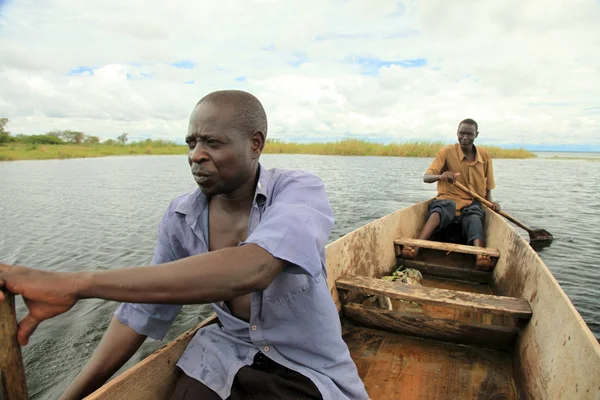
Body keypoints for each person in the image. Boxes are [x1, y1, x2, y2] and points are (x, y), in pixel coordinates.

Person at [0, 90, 370, 400]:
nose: (196, 155)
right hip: (225, 359)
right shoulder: (180, 217)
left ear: (255, 144)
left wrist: (76, 285)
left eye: (212, 142)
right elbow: (139, 315)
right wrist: (71, 397)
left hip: (309, 371)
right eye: (191, 143)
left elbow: (254, 269)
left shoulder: (299, 190)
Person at [402, 118, 501, 269]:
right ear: (457, 133)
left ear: (476, 135)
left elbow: (488, 187)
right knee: (441, 208)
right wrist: (441, 176)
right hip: (448, 199)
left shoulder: (484, 156)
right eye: (462, 133)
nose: (465, 137)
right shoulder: (447, 152)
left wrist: (491, 204)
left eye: (469, 134)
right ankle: (416, 246)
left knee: (475, 215)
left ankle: (480, 255)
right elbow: (426, 177)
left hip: (471, 201)